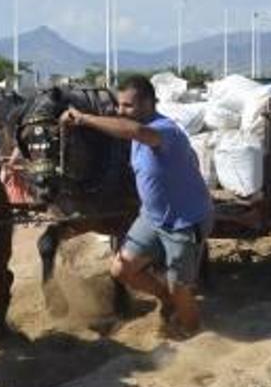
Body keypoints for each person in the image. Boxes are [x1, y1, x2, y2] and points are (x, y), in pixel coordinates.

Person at [60, 75, 212, 337]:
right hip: (152, 218)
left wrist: (84, 118)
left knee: (181, 288)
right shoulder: (136, 133)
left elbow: (136, 132)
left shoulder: (165, 129)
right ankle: (166, 298)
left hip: (184, 221)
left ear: (149, 103)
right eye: (119, 105)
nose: (121, 111)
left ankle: (193, 332)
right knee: (121, 269)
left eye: (128, 106)